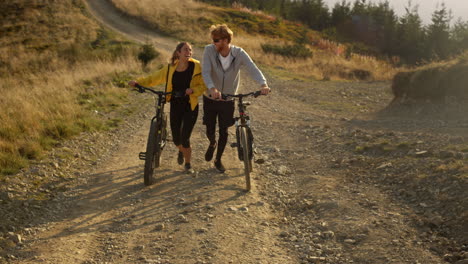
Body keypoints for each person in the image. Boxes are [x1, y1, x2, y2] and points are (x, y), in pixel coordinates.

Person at [201, 24, 270, 173]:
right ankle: (212, 143)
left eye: (217, 40)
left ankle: (218, 159)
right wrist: (212, 88)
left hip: (228, 97)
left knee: (224, 130)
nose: (214, 42)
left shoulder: (239, 53)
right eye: (213, 40)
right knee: (210, 129)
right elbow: (205, 72)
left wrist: (263, 84)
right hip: (210, 97)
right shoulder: (209, 50)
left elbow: (252, 68)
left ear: (226, 40)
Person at [129, 42, 206, 173]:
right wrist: (138, 82)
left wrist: (193, 90)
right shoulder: (171, 68)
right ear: (178, 53)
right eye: (186, 49)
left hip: (190, 105)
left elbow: (203, 85)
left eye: (190, 50)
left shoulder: (197, 66)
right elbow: (154, 78)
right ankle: (181, 150)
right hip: (175, 104)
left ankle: (188, 164)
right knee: (176, 139)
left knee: (185, 137)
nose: (189, 52)